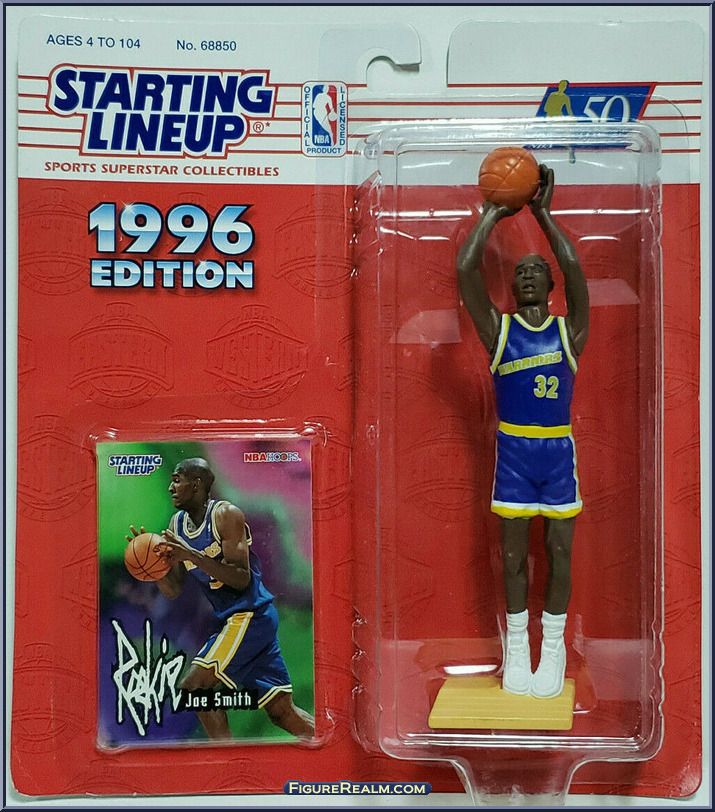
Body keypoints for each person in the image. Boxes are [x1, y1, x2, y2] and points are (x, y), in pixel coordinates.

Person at [456, 165, 589, 699]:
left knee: (559, 554)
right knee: (512, 558)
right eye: (521, 272)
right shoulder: (499, 330)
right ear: (512, 287)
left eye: (538, 270)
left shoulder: (569, 331)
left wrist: (544, 216)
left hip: (556, 453)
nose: (529, 274)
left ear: (551, 285)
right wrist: (492, 213)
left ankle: (551, 646)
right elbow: (466, 270)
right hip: (513, 452)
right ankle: (517, 645)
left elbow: (575, 267)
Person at [126, 457, 315, 740]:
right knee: (281, 712)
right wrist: (154, 568)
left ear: (196, 485)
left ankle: (226, 759)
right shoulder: (177, 525)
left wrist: (191, 555)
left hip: (250, 616)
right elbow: (173, 589)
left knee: (194, 688)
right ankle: (325, 740)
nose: (170, 488)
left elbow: (241, 578)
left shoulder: (227, 515)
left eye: (177, 481)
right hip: (233, 621)